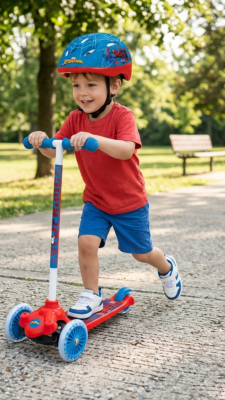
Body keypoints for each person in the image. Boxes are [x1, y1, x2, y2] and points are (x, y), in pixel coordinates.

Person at [29, 33, 182, 319]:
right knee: (86, 243)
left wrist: (95, 140)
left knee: (141, 253)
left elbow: (126, 150)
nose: (82, 92)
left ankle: (166, 267)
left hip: (129, 202)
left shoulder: (123, 117)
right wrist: (42, 142)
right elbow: (55, 151)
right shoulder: (75, 119)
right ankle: (91, 294)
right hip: (97, 201)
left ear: (114, 85)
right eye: (76, 85)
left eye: (90, 84)